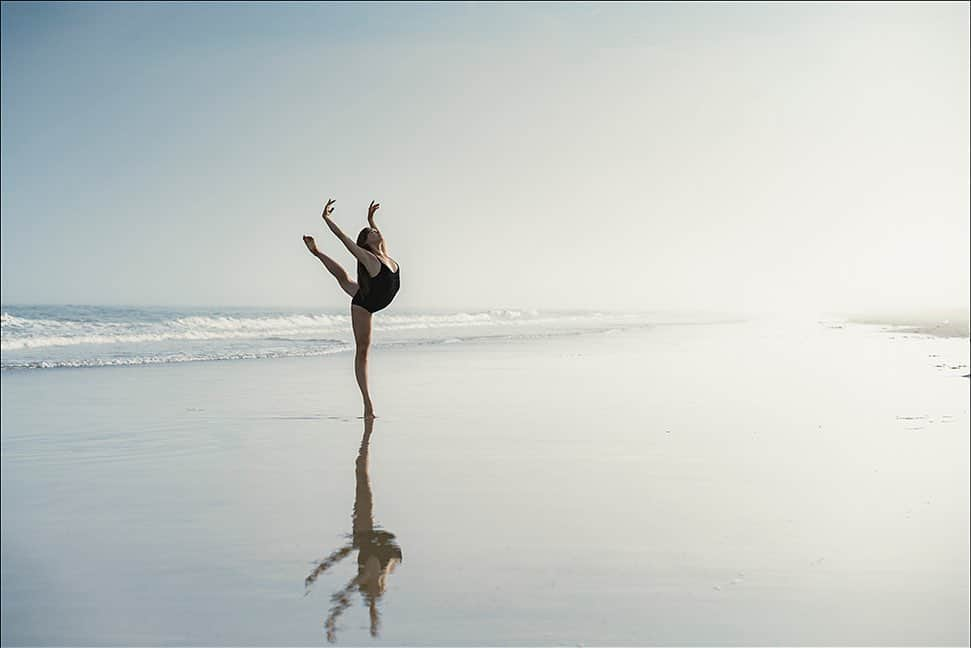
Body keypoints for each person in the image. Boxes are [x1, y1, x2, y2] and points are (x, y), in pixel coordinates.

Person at [304, 417, 403, 643]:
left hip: (381, 547)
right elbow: (346, 588)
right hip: (383, 548)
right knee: (361, 478)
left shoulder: (368, 578)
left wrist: (320, 570)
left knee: (361, 482)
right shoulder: (372, 578)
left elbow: (346, 584)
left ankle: (363, 453)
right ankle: (363, 453)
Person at [303, 199, 401, 419]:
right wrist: (327, 219)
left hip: (372, 293)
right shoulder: (368, 257)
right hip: (365, 306)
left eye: (375, 230)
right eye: (371, 231)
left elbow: (381, 237)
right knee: (363, 351)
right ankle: (367, 404)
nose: (376, 231)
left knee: (346, 281)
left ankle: (317, 253)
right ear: (366, 242)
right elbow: (343, 239)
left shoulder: (385, 254)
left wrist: (371, 219)